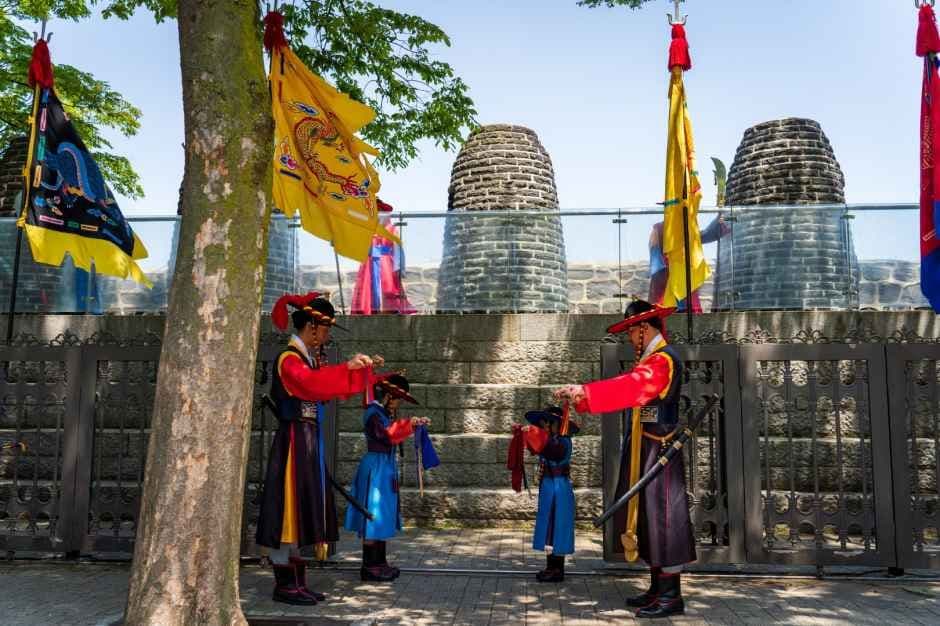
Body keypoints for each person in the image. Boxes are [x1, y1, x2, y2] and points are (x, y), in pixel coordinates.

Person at [554, 299, 695, 618]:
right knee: (649, 517)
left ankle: (671, 595)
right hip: (647, 447)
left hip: (660, 450)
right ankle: (658, 588)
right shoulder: (653, 359)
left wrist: (585, 392)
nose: (630, 339)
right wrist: (583, 396)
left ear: (644, 328)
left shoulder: (662, 361)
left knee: (664, 518)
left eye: (632, 332)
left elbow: (632, 388)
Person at [256, 291, 382, 606]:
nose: (326, 336)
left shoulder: (307, 360)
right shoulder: (289, 359)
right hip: (293, 440)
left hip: (307, 438)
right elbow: (313, 384)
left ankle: (297, 582)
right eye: (325, 329)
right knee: (288, 507)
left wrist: (361, 371)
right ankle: (285, 584)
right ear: (312, 326)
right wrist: (347, 368)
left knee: (301, 507)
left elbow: (327, 386)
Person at [344, 372, 429, 581]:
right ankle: (369, 566)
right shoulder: (373, 413)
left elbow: (392, 431)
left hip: (385, 467)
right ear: (388, 396)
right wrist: (410, 425)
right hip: (375, 468)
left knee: (383, 514)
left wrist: (413, 425)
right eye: (398, 398)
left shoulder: (382, 413)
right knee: (372, 514)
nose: (399, 403)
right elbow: (386, 435)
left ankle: (380, 562)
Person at [520, 405, 579, 583]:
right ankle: (550, 567)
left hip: (558, 487)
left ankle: (557, 570)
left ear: (557, 424)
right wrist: (523, 433)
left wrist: (535, 434)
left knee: (557, 526)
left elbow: (550, 451)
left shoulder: (562, 442)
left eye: (548, 423)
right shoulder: (550, 440)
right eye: (544, 423)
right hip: (549, 486)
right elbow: (535, 447)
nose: (545, 426)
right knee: (548, 526)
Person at [648, 214, 729, 313]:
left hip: (685, 279)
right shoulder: (659, 229)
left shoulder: (686, 228)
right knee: (667, 312)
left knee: (688, 312)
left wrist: (719, 220)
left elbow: (704, 235)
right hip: (668, 281)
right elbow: (656, 262)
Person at [351, 199, 416, 314]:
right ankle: (370, 309)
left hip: (385, 262)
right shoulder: (367, 229)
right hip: (369, 262)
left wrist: (399, 267)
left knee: (388, 287)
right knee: (368, 287)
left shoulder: (391, 229)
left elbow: (398, 249)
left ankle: (388, 310)